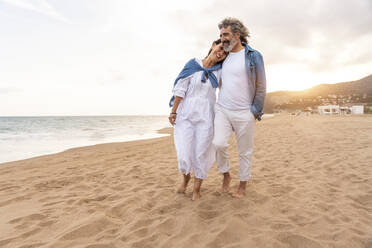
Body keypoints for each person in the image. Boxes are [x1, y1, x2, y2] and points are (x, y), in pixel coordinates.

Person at [213, 17, 266, 198]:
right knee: (218, 144)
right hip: (223, 110)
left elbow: (261, 85)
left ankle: (242, 185)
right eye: (221, 36)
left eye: (226, 34)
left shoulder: (253, 56)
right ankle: (226, 175)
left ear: (237, 34)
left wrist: (254, 112)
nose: (223, 39)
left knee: (244, 151)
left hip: (245, 112)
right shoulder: (223, 56)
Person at [169, 40, 227, 201]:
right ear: (214, 45)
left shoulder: (219, 72)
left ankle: (196, 189)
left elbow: (230, 88)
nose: (221, 53)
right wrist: (173, 112)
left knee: (201, 153)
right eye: (221, 48)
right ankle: (185, 178)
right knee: (184, 154)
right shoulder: (192, 64)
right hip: (185, 115)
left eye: (225, 53)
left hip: (206, 117)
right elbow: (180, 89)